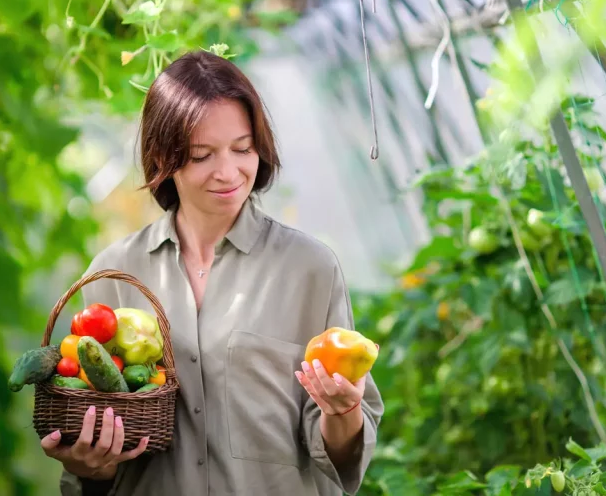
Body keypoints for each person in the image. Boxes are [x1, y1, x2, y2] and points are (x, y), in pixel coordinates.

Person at [41, 50, 384, 496]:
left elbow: (343, 459)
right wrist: (92, 466)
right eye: (202, 155)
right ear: (164, 157)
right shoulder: (113, 275)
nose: (228, 172)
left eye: (242, 149)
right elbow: (94, 457)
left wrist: (343, 413)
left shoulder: (309, 269)